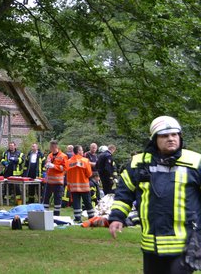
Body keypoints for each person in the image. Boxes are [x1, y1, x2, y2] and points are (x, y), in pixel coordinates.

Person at [109, 116, 201, 274]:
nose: (171, 139)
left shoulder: (195, 162)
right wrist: (117, 217)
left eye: (174, 134)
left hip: (186, 244)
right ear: (154, 139)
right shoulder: (138, 164)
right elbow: (124, 193)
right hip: (151, 244)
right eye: (164, 135)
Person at [65, 145, 95, 223]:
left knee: (76, 203)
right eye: (81, 150)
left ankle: (78, 218)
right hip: (84, 186)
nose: (83, 151)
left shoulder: (68, 162)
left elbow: (67, 175)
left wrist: (69, 186)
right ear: (78, 151)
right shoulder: (85, 161)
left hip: (73, 187)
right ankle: (91, 217)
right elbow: (89, 174)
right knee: (87, 202)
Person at [42, 140, 67, 217]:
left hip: (58, 182)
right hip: (49, 182)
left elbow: (65, 168)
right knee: (46, 198)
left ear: (55, 146)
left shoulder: (63, 156)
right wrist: (47, 166)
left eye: (51, 146)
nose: (50, 148)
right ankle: (45, 214)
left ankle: (56, 215)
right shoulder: (49, 155)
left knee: (57, 199)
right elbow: (47, 164)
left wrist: (54, 166)